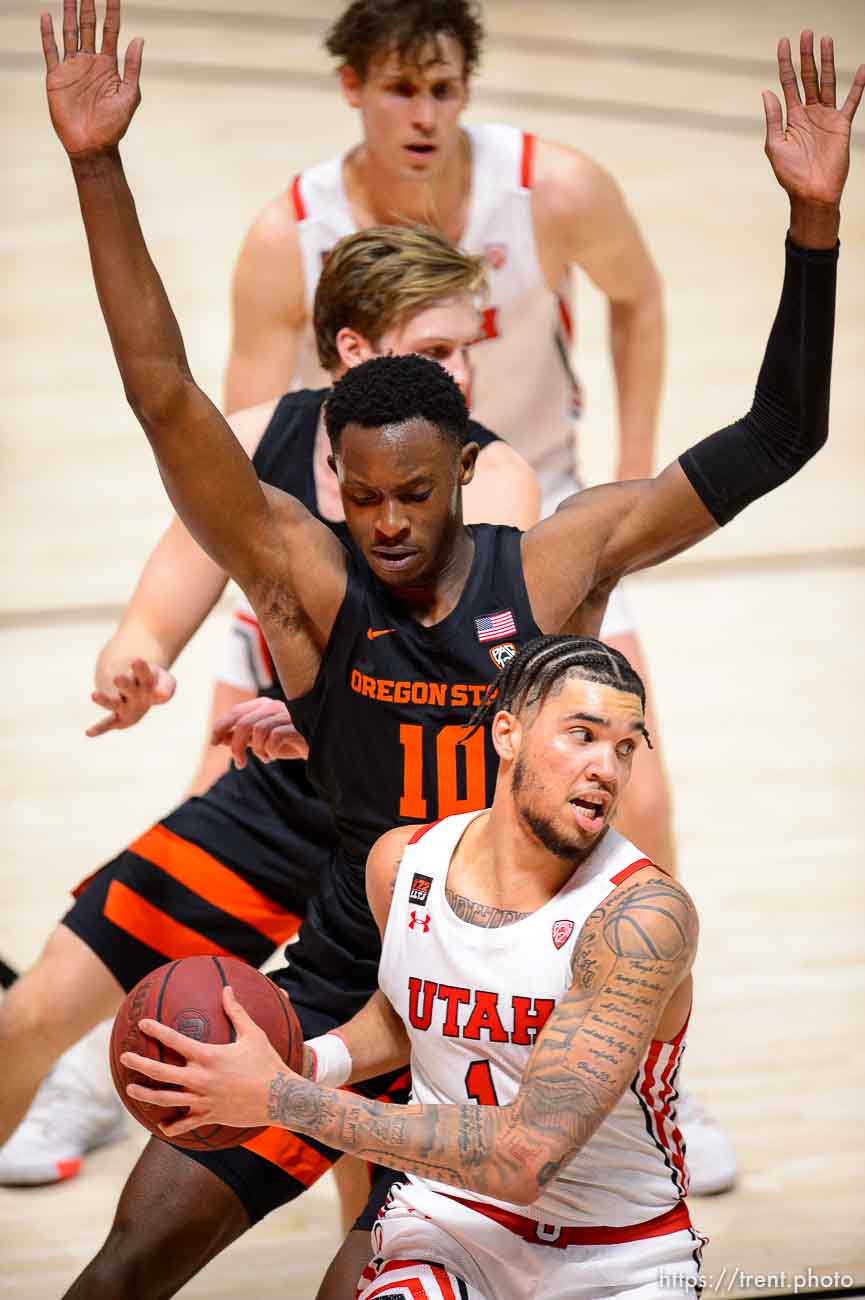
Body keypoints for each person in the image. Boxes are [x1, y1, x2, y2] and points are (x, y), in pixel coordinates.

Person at [38, 3, 859, 1294]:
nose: (388, 526)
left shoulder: (549, 567)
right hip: (350, 967)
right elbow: (161, 394)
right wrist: (96, 167)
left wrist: (812, 226)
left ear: (460, 467)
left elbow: (780, 434)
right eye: (361, 501)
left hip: (495, 999)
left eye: (412, 497)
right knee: (131, 1258)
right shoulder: (309, 588)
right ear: (338, 484)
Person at [0, 221, 537, 1209]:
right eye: (436, 349)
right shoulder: (260, 438)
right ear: (353, 353)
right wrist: (137, 653)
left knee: (363, 1139)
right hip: (283, 799)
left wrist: (335, 712)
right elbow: (175, 572)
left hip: (409, 832)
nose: (464, 370)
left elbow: (468, 666)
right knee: (32, 1008)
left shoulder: (490, 474)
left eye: (466, 349)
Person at [225, 0, 677, 887]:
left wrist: (630, 465)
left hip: (535, 503)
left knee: (641, 795)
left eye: (444, 89)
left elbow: (639, 298)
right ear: (352, 87)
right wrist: (271, 576)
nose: (425, 115)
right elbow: (250, 438)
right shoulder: (290, 232)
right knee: (233, 766)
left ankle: (638, 988)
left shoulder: (553, 187)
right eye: (400, 89)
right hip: (362, 527)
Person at [123, 634, 707, 1300]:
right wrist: (304, 1064)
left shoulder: (642, 918)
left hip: (615, 1256)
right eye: (582, 735)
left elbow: (524, 1157)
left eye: (625, 747)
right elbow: (412, 1009)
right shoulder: (403, 863)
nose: (606, 766)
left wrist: (283, 1097)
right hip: (448, 1223)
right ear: (507, 734)